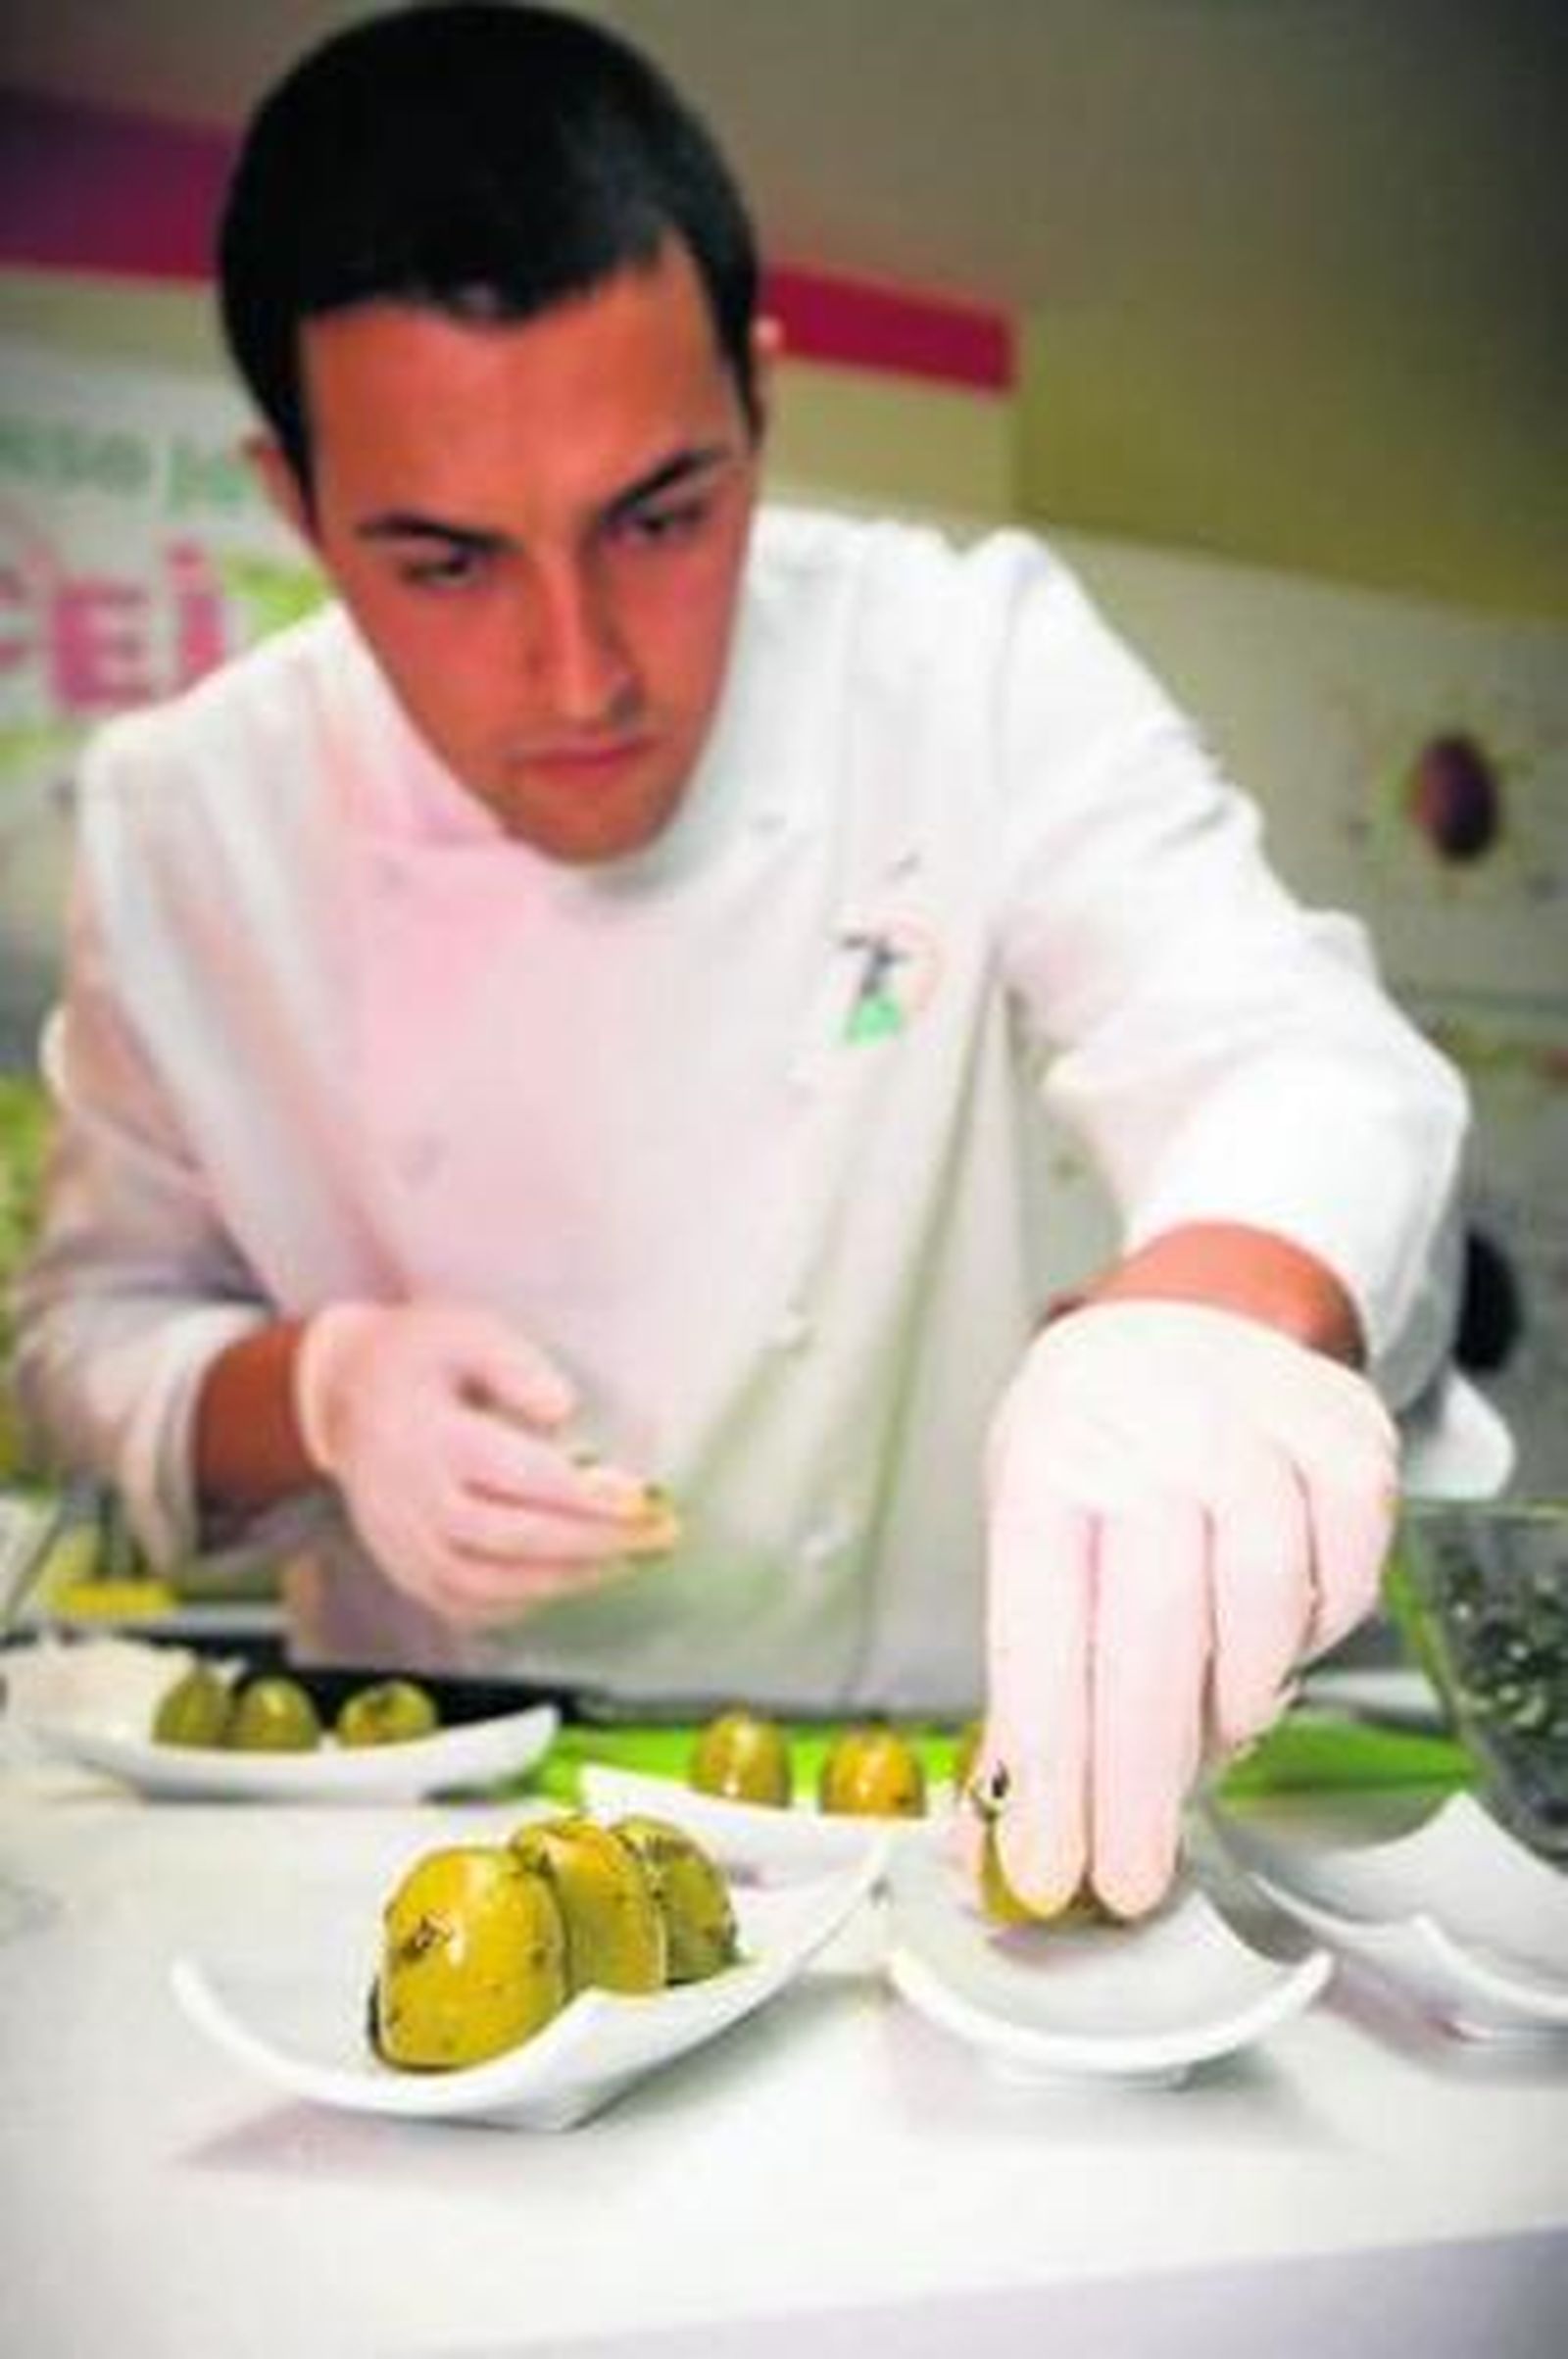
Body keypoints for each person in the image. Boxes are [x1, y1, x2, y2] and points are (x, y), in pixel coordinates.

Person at [13, 2, 1502, 1920]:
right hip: (416, 1805)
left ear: (758, 403)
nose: (582, 673)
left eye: (661, 514)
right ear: (294, 505)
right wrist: (317, 1389)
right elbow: (83, 1341)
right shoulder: (182, 818)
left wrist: (1200, 1322)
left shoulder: (958, 659)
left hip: (911, 1794)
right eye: (444, 561)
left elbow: (1280, 1043)